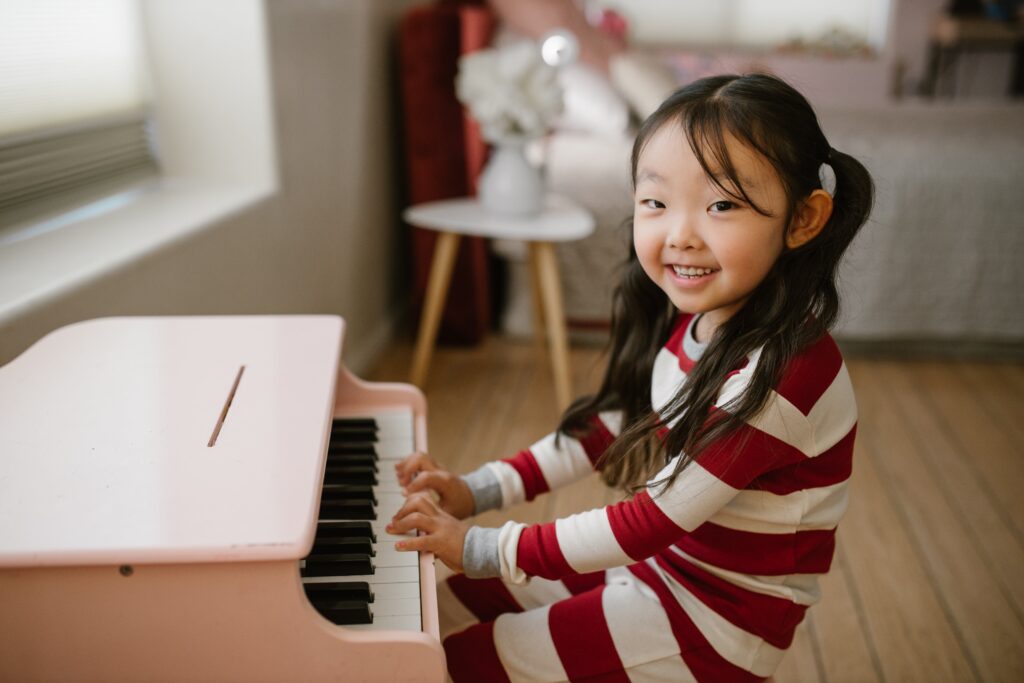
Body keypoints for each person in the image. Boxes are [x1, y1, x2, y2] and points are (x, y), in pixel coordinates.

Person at [388, 73, 874, 682]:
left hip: (713, 625)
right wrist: (477, 490)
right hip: (662, 572)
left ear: (804, 220)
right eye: (656, 202)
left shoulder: (781, 376)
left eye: (721, 204)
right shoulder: (708, 319)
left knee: (461, 664)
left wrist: (483, 546)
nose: (681, 235)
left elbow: (647, 523)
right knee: (444, 606)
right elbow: (609, 428)